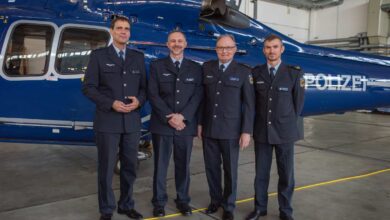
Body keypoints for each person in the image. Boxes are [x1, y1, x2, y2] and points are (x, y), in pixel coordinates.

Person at [82, 15, 146, 220]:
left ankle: (126, 205)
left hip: (132, 123)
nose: (123, 32)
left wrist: (139, 101)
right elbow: (88, 88)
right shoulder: (99, 56)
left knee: (130, 168)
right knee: (107, 169)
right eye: (119, 28)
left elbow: (145, 89)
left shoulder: (138, 57)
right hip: (108, 121)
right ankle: (107, 209)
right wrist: (111, 103)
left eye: (127, 28)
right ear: (111, 31)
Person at [245, 34, 305, 220]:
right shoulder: (256, 73)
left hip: (285, 132)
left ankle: (285, 211)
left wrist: (286, 124)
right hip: (262, 132)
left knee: (286, 175)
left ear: (282, 49)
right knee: (261, 175)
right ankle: (259, 208)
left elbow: (298, 105)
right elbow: (251, 103)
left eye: (275, 47)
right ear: (264, 50)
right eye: (268, 47)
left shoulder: (294, 73)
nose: (271, 51)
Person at [199, 34, 255, 220]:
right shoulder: (207, 68)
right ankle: (215, 201)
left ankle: (229, 206)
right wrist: (200, 123)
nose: (224, 51)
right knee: (211, 168)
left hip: (231, 131)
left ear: (234, 49)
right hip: (209, 129)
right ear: (216, 49)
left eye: (228, 48)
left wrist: (246, 131)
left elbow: (249, 104)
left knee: (230, 170)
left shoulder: (243, 71)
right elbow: (202, 99)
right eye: (221, 48)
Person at [148, 30, 203, 217]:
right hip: (162, 124)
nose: (176, 44)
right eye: (173, 41)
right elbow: (153, 94)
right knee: (160, 166)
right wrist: (169, 117)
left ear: (185, 44)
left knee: (183, 166)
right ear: (167, 44)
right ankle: (159, 202)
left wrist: (183, 117)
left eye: (180, 41)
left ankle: (183, 201)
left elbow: (197, 96)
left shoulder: (195, 68)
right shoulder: (156, 66)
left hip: (185, 126)